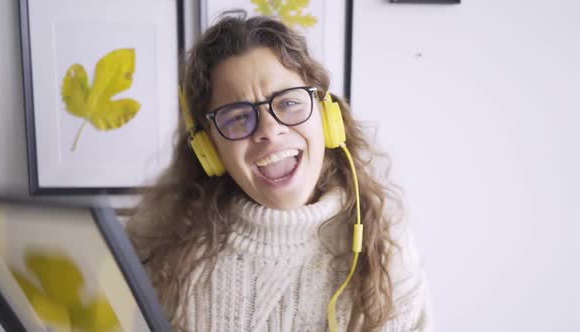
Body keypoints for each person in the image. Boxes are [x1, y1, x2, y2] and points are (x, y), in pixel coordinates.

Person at [126, 11, 431, 332]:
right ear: (210, 149)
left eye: (288, 102)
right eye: (238, 116)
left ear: (327, 118)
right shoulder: (155, 241)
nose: (270, 131)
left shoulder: (385, 244)